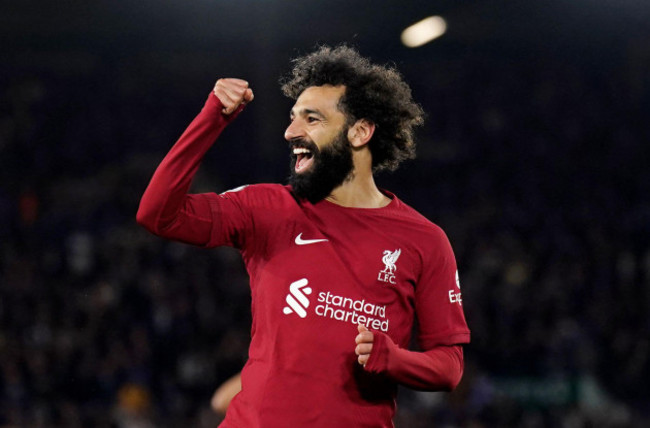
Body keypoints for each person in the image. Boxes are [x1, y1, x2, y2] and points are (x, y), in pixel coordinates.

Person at [137, 45, 470, 427]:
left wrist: (394, 359)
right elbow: (157, 214)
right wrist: (212, 118)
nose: (290, 131)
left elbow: (449, 366)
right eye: (293, 118)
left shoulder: (425, 240)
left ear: (360, 132)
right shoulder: (267, 208)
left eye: (311, 119)